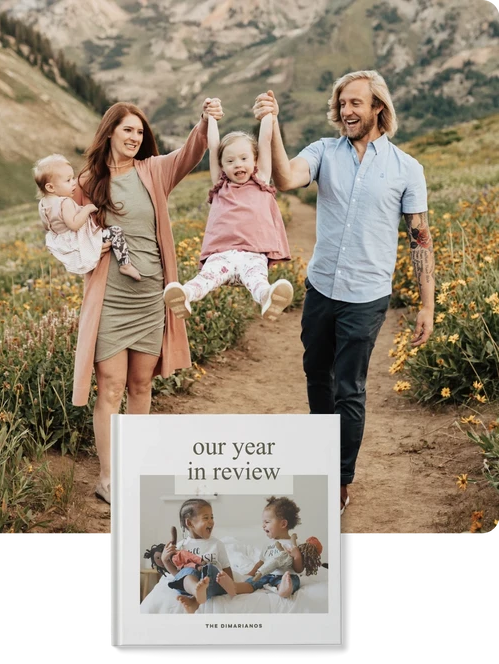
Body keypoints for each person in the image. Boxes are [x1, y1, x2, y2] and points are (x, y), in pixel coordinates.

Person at [253, 71, 435, 515]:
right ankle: (320, 464)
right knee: (317, 377)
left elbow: (421, 239)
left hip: (366, 295)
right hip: (321, 288)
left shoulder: (406, 168)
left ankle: (340, 479)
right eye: (342, 103)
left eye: (357, 103)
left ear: (378, 109)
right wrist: (271, 124)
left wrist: (427, 304)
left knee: (349, 389)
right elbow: (285, 177)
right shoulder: (323, 152)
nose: (347, 110)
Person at [71, 98, 224, 504]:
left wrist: (205, 121)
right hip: (110, 298)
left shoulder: (153, 171)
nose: (135, 138)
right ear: (110, 133)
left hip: (150, 295)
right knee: (110, 387)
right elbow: (64, 224)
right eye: (127, 130)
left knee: (140, 384)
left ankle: (133, 469)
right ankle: (108, 478)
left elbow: (192, 152)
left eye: (140, 132)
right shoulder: (88, 181)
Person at [163, 111, 294, 322]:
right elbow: (214, 146)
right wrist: (212, 117)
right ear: (222, 165)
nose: (238, 165)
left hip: (253, 253)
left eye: (244, 158)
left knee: (257, 280)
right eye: (230, 161)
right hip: (221, 254)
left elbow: (265, 140)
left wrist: (268, 114)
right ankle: (185, 295)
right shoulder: (220, 185)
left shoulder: (261, 180)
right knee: (205, 278)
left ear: (255, 161)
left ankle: (268, 298)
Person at [34, 154, 141, 280]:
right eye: (68, 180)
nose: (74, 183)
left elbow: (48, 226)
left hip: (63, 244)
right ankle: (125, 264)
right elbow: (74, 225)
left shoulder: (42, 204)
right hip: (79, 240)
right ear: (50, 187)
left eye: (73, 178)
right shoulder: (65, 202)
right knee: (115, 232)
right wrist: (87, 209)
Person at [161, 498, 237, 613]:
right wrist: (165, 560)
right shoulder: (181, 547)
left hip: (213, 583)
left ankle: (197, 596)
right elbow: (179, 575)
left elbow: (228, 576)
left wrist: (226, 582)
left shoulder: (217, 544)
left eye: (212, 517)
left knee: (210, 568)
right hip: (190, 586)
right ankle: (196, 592)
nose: (211, 521)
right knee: (187, 573)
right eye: (206, 518)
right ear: (190, 523)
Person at [233, 495, 303, 598]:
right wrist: (250, 574)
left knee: (293, 581)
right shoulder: (268, 544)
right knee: (253, 582)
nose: (263, 525)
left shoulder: (292, 544)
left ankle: (284, 589)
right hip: (267, 574)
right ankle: (236, 587)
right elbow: (260, 563)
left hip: (286, 575)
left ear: (283, 524)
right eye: (263, 522)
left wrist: (297, 556)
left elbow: (298, 569)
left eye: (267, 522)